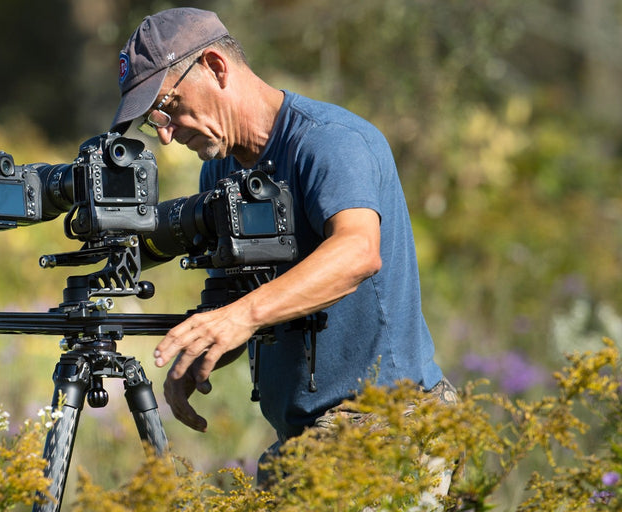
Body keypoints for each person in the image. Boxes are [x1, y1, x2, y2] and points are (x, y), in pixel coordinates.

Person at [110, 7, 458, 490]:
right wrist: (198, 350)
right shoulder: (220, 170)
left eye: (168, 106)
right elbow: (232, 296)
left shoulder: (329, 142)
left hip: (390, 428)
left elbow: (358, 252)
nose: (166, 133)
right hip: (305, 444)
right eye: (153, 123)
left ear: (215, 66)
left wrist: (240, 318)